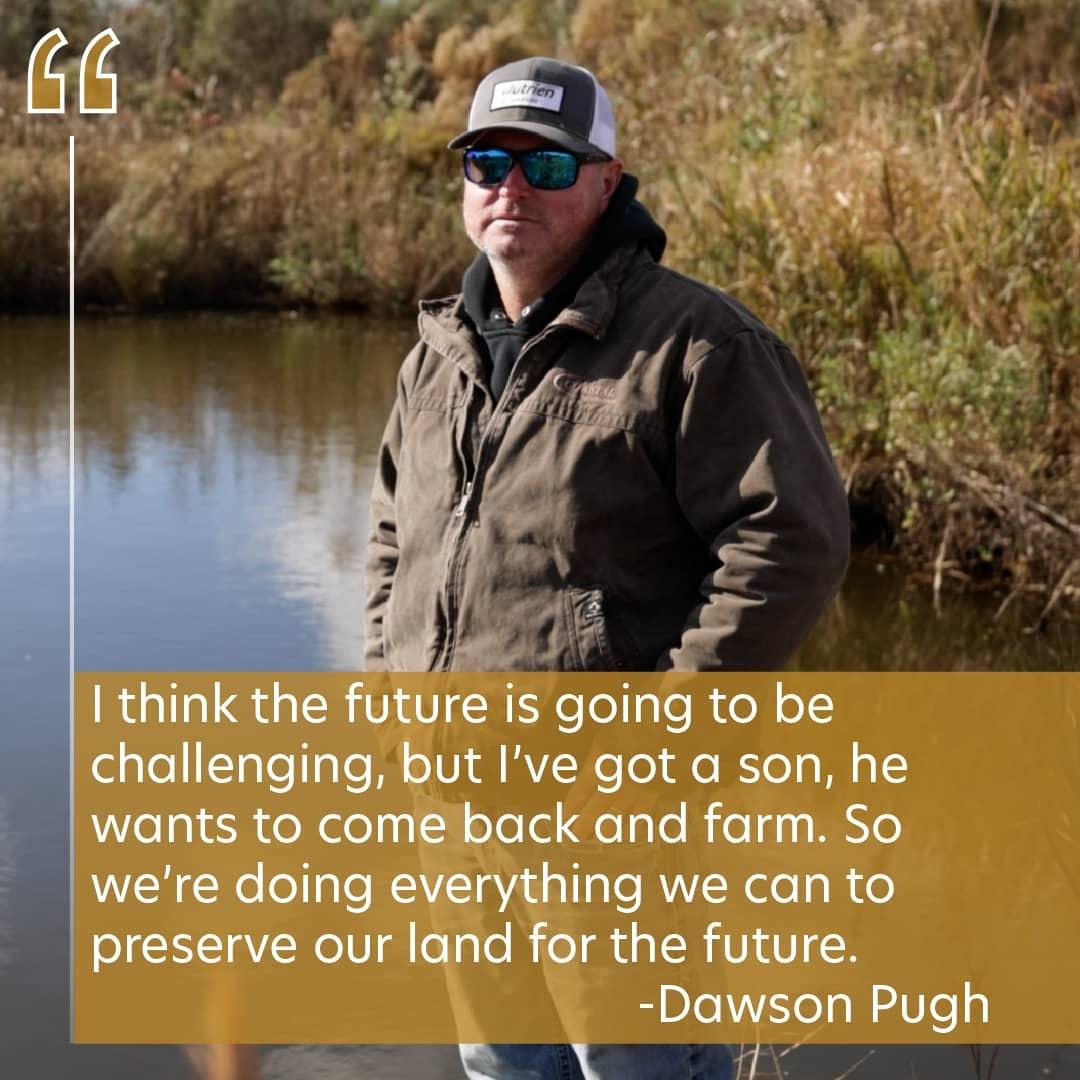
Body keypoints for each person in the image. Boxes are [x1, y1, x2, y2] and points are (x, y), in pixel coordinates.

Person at [365, 56, 850, 1080]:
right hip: (454, 807)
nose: (510, 186)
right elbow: (391, 537)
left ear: (606, 180)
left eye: (546, 165)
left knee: (635, 1066)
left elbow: (792, 541)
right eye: (487, 160)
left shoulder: (701, 342)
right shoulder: (437, 352)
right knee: (503, 1065)